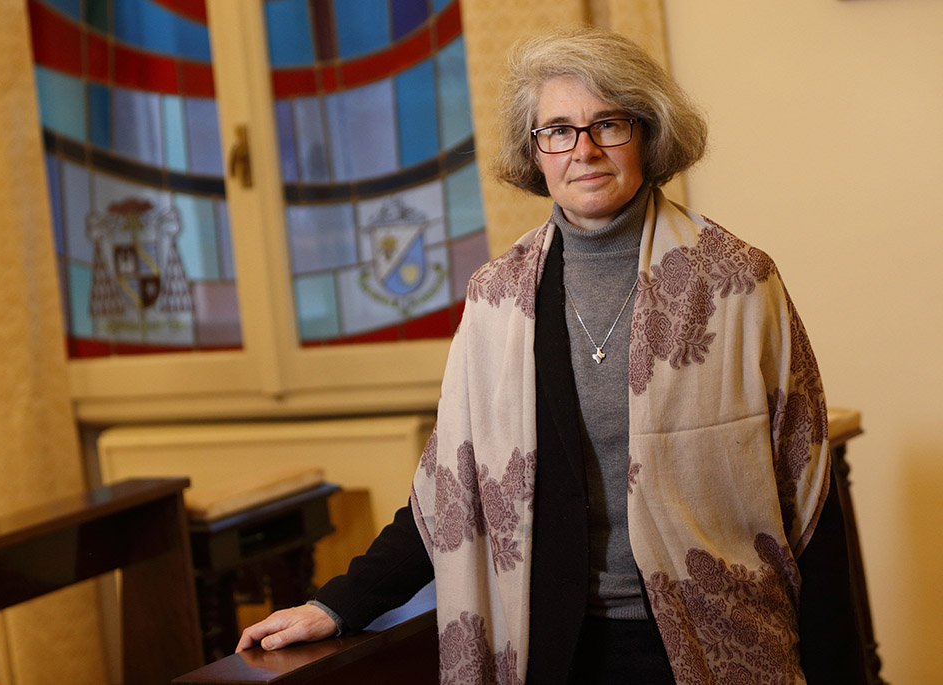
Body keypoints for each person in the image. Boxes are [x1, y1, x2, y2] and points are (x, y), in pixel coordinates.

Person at [238, 26, 864, 684]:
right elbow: (453, 492)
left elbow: (810, 497)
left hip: (718, 642)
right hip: (553, 646)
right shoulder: (496, 300)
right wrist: (337, 603)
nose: (584, 150)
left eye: (609, 125)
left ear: (647, 134)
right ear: (534, 152)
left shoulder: (739, 280)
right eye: (558, 130)